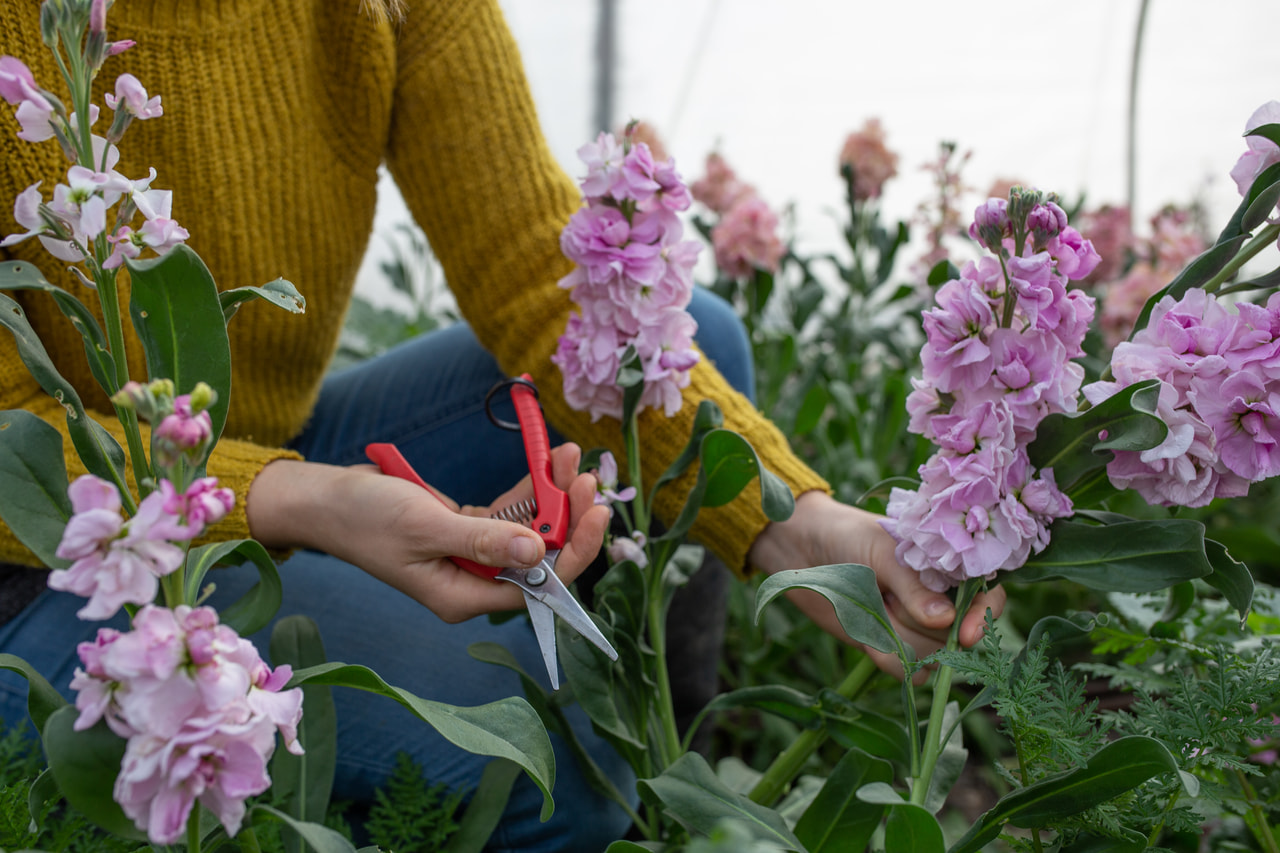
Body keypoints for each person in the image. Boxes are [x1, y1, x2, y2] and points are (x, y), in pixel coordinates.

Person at [0, 1, 1004, 851]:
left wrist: (792, 521)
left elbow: (536, 269)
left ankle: (667, 738)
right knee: (550, 762)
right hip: (43, 543)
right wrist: (309, 504)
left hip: (265, 450)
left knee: (676, 344)